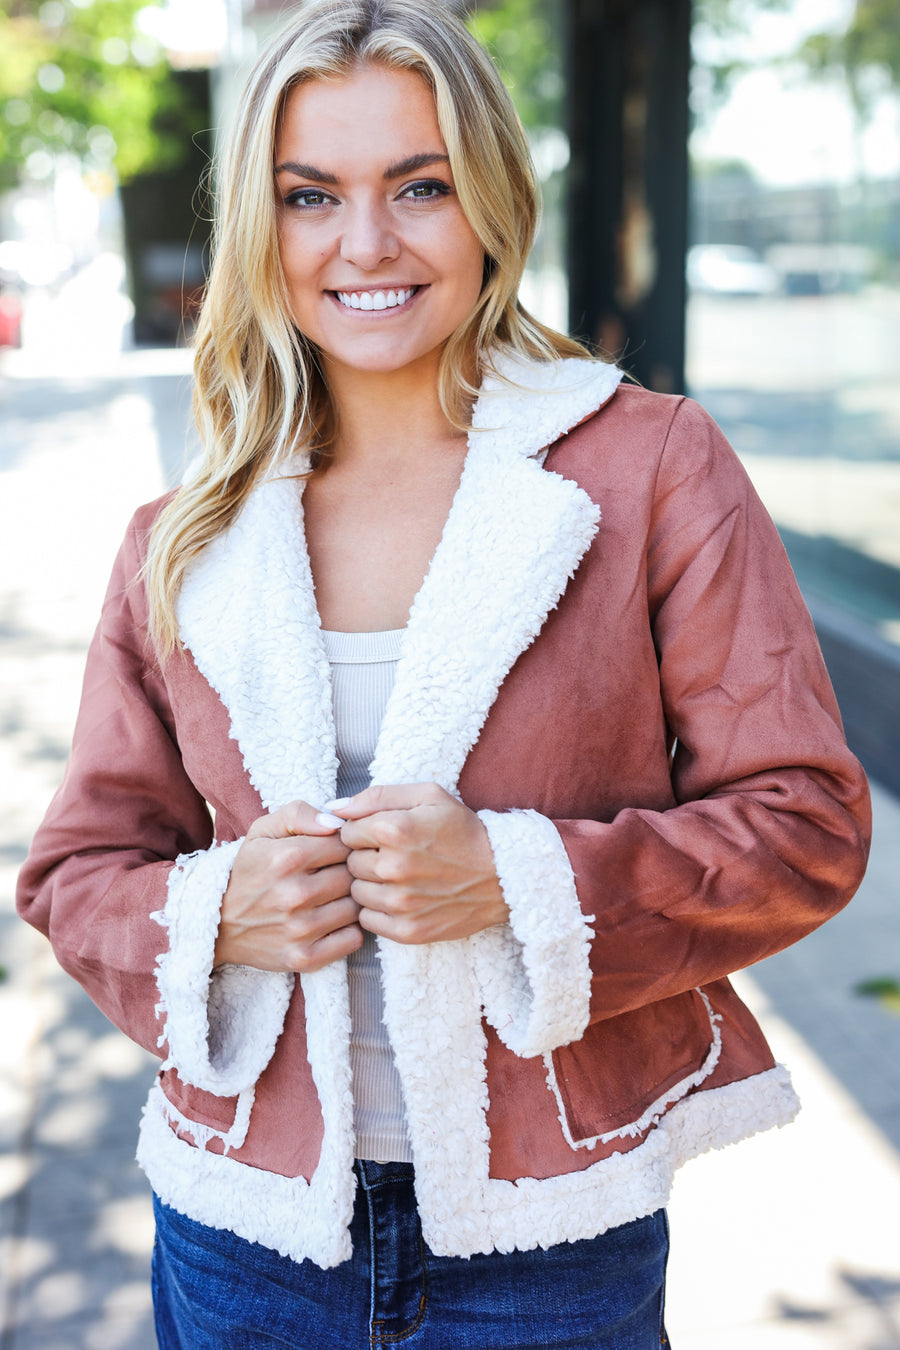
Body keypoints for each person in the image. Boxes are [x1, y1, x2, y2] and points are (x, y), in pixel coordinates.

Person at [17, 1, 871, 1346]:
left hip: (551, 1242)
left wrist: (523, 880)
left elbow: (807, 825)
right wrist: (220, 910)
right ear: (263, 221)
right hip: (243, 1234)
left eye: (418, 184)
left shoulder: (648, 469)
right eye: (312, 195)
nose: (366, 243)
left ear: (490, 197)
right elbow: (75, 875)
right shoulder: (184, 536)